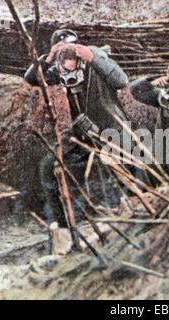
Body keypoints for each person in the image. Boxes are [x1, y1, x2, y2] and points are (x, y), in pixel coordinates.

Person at [24, 30, 129, 224]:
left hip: (113, 132)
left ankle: (116, 214)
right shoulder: (59, 68)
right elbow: (31, 79)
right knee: (48, 166)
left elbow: (121, 81)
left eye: (71, 48)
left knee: (106, 172)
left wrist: (93, 57)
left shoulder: (95, 62)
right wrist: (47, 59)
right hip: (83, 135)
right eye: (62, 50)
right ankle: (62, 223)